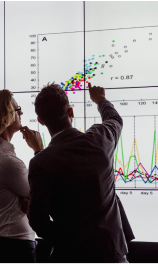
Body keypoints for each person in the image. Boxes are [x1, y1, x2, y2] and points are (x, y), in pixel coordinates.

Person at [22, 82, 135, 263]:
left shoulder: (40, 162)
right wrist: (100, 100)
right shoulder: (100, 138)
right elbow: (114, 119)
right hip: (111, 254)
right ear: (71, 112)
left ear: (41, 121)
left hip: (71, 257)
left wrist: (70, 245)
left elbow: (37, 220)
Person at [0, 89, 43, 264]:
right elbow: (41, 193)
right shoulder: (7, 162)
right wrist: (39, 151)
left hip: (0, 244)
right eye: (17, 110)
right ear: (5, 119)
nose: (21, 113)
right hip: (16, 250)